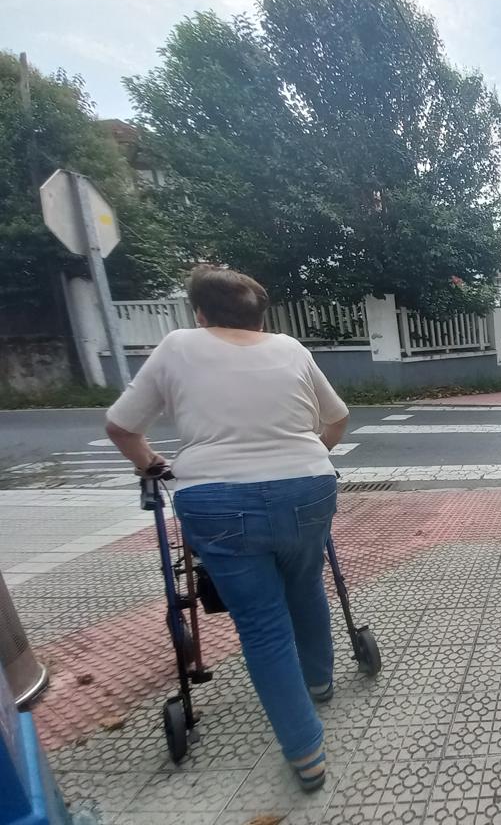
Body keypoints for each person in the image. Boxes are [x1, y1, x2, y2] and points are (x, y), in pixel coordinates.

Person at [105, 264, 350, 790]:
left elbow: (122, 425)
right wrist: (304, 456)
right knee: (306, 585)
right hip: (307, 488)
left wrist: (150, 462)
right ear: (260, 315)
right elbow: (336, 417)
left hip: (216, 500)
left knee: (262, 624)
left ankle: (307, 754)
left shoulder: (176, 347)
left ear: (199, 313)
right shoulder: (291, 349)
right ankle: (321, 682)